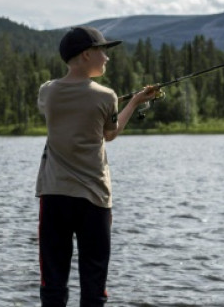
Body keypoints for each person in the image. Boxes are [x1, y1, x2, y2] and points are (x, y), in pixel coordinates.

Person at [35, 26, 159, 307]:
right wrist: (137, 101)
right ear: (86, 54)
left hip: (54, 196)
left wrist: (128, 100)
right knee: (94, 283)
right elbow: (110, 133)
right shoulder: (107, 96)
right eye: (103, 51)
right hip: (94, 200)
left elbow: (71, 107)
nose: (107, 57)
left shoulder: (47, 92)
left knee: (53, 282)